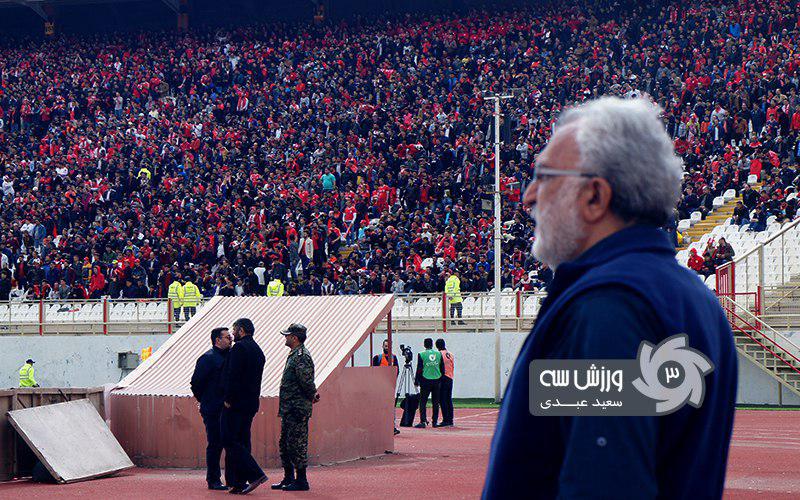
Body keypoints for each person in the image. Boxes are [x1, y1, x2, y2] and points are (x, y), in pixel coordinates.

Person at [483, 97, 737, 499]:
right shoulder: (693, 298)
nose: (529, 196)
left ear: (595, 197)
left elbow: (603, 482)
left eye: (544, 176)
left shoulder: (610, 307)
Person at [221, 318, 268, 495]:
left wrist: (228, 398)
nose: (232, 335)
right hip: (250, 403)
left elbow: (233, 375)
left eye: (234, 330)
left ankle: (255, 474)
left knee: (229, 439)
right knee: (242, 440)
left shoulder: (239, 348)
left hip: (235, 403)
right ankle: (238, 482)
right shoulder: (257, 350)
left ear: (241, 330)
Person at [272, 323, 320, 491]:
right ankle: (288, 477)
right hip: (289, 408)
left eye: (287, 335)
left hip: (297, 408)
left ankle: (301, 480)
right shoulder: (294, 354)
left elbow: (306, 381)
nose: (285, 338)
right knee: (285, 443)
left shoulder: (301, 356)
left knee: (297, 444)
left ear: (295, 337)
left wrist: (312, 394)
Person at [190, 327, 233, 490]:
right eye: (227, 337)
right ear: (217, 340)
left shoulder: (230, 356)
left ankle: (231, 478)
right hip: (213, 408)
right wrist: (206, 400)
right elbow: (196, 383)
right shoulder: (207, 359)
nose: (231, 339)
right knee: (215, 444)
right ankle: (213, 479)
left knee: (227, 443)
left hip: (225, 408)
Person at [372, 339, 401, 435]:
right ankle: (378, 426)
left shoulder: (394, 358)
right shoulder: (377, 358)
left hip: (389, 386)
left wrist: (392, 381)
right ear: (382, 347)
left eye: (388, 346)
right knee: (378, 407)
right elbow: (373, 372)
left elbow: (397, 370)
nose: (387, 348)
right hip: (379, 387)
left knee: (390, 408)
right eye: (385, 346)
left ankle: (392, 427)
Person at [414, 338, 444, 428]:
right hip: (437, 380)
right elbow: (442, 367)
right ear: (432, 344)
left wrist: (417, 380)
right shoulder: (438, 354)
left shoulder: (421, 354)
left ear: (424, 345)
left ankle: (423, 421)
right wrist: (440, 379)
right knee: (435, 402)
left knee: (423, 402)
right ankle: (434, 422)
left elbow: (419, 368)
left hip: (425, 380)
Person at [435, 339, 455, 427]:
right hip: (450, 377)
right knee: (448, 399)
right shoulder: (450, 354)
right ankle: (450, 419)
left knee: (442, 399)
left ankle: (446, 419)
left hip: (443, 378)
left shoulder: (439, 354)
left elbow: (439, 367)